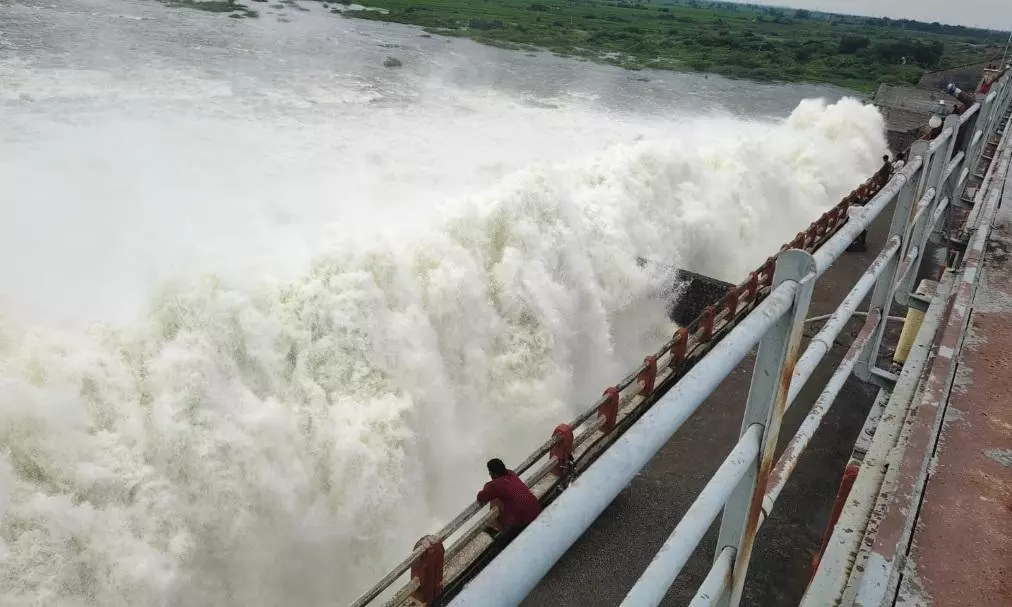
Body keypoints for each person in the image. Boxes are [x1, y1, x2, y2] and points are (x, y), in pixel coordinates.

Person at [477, 458, 541, 538]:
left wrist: (487, 486)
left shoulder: (495, 485)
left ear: (495, 474)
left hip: (523, 519)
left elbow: (481, 497)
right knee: (500, 499)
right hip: (536, 508)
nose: (490, 474)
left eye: (490, 472)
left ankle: (498, 533)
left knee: (495, 501)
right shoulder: (511, 473)